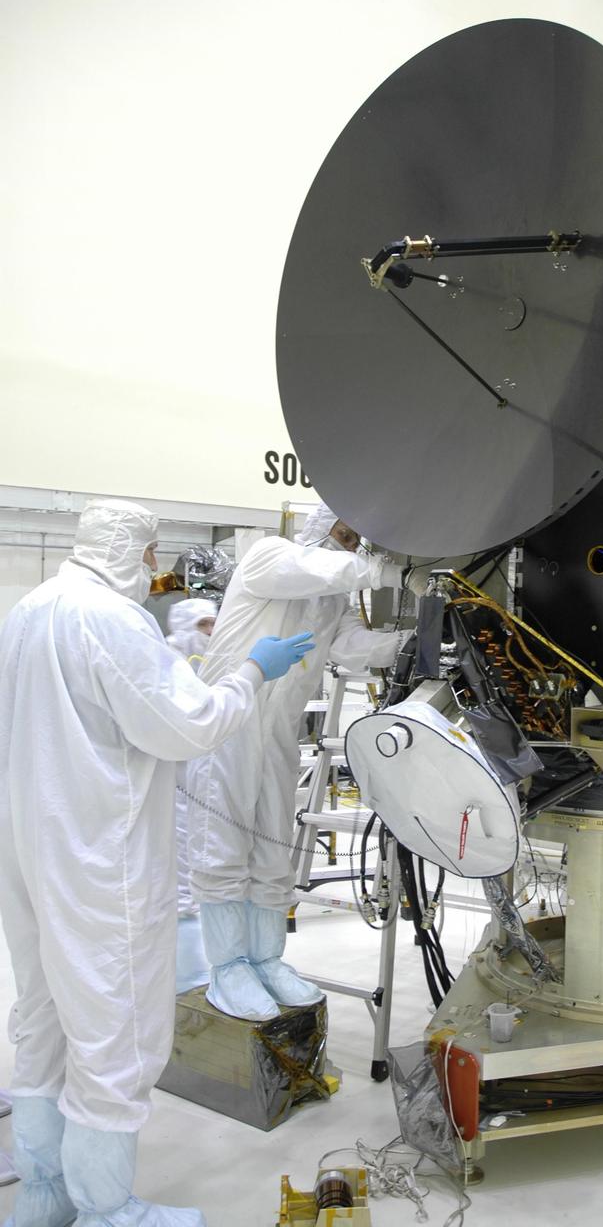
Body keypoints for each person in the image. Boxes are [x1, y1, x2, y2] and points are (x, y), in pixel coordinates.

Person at [0, 498, 314, 1227]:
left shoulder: (28, 608)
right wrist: (250, 677)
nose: (152, 571)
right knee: (118, 1025)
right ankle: (108, 1208)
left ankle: (45, 1191)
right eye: (148, 555)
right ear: (126, 549)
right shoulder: (109, 619)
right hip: (100, 857)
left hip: (31, 850)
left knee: (43, 1013)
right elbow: (187, 725)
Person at [186, 503, 426, 1020]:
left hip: (278, 735)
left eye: (353, 536)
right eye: (341, 531)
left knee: (273, 847)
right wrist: (394, 571)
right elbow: (318, 568)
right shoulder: (270, 557)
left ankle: (267, 960)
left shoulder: (331, 596)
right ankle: (227, 968)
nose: (346, 542)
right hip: (228, 727)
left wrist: (411, 643)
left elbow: (350, 645)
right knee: (223, 846)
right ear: (318, 528)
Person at [165, 599, 220, 993]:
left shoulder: (204, 665)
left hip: (199, 785)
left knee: (197, 863)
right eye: (204, 625)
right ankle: (185, 975)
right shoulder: (165, 662)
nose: (211, 633)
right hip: (171, 785)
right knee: (179, 869)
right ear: (183, 627)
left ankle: (196, 964)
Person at [165, 598, 218, 669]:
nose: (210, 631)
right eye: (202, 624)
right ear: (184, 627)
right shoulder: (170, 658)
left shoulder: (216, 652)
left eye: (213, 624)